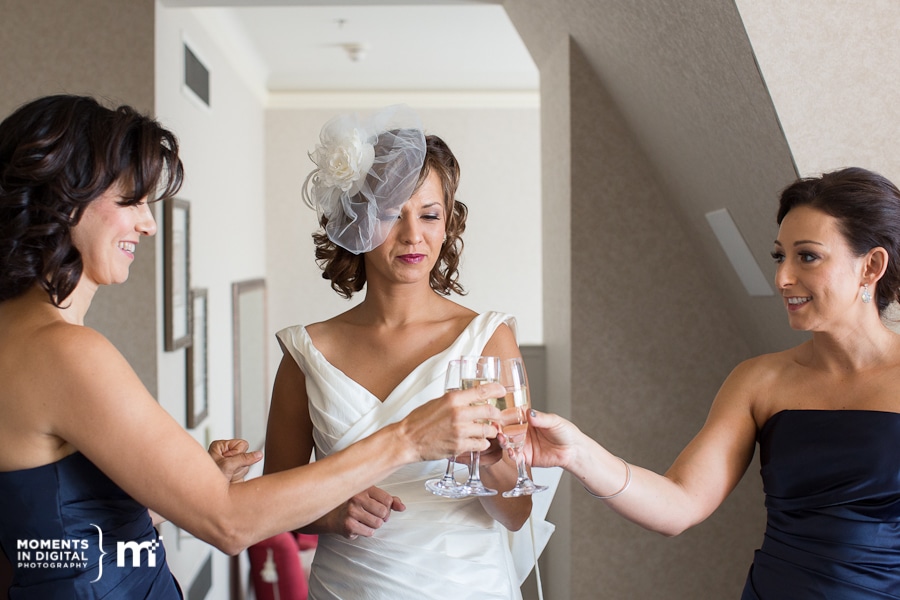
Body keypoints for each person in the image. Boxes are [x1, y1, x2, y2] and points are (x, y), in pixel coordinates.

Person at [0, 94, 504, 599]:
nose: (149, 223)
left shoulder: (17, 339)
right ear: (64, 198)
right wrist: (408, 439)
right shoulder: (64, 352)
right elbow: (229, 524)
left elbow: (39, 535)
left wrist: (182, 486)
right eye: (130, 199)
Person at [523, 166, 900, 599]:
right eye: (780, 256)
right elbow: (679, 505)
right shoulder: (759, 380)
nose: (782, 278)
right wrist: (577, 454)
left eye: (807, 256)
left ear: (871, 266)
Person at [264, 105, 553, 599]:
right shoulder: (306, 352)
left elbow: (518, 512)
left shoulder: (487, 340)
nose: (412, 235)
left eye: (429, 214)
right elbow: (270, 504)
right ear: (356, 222)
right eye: (390, 214)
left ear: (448, 224)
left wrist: (487, 462)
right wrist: (329, 515)